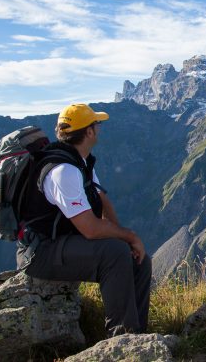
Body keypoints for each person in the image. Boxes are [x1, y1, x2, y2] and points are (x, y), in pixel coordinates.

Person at [16, 103, 152, 336]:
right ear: (88, 132)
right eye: (96, 124)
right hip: (41, 252)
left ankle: (139, 334)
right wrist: (130, 236)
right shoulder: (64, 171)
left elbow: (102, 199)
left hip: (62, 242)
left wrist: (127, 239)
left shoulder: (81, 161)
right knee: (115, 254)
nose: (99, 128)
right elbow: (90, 229)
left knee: (138, 259)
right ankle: (122, 338)